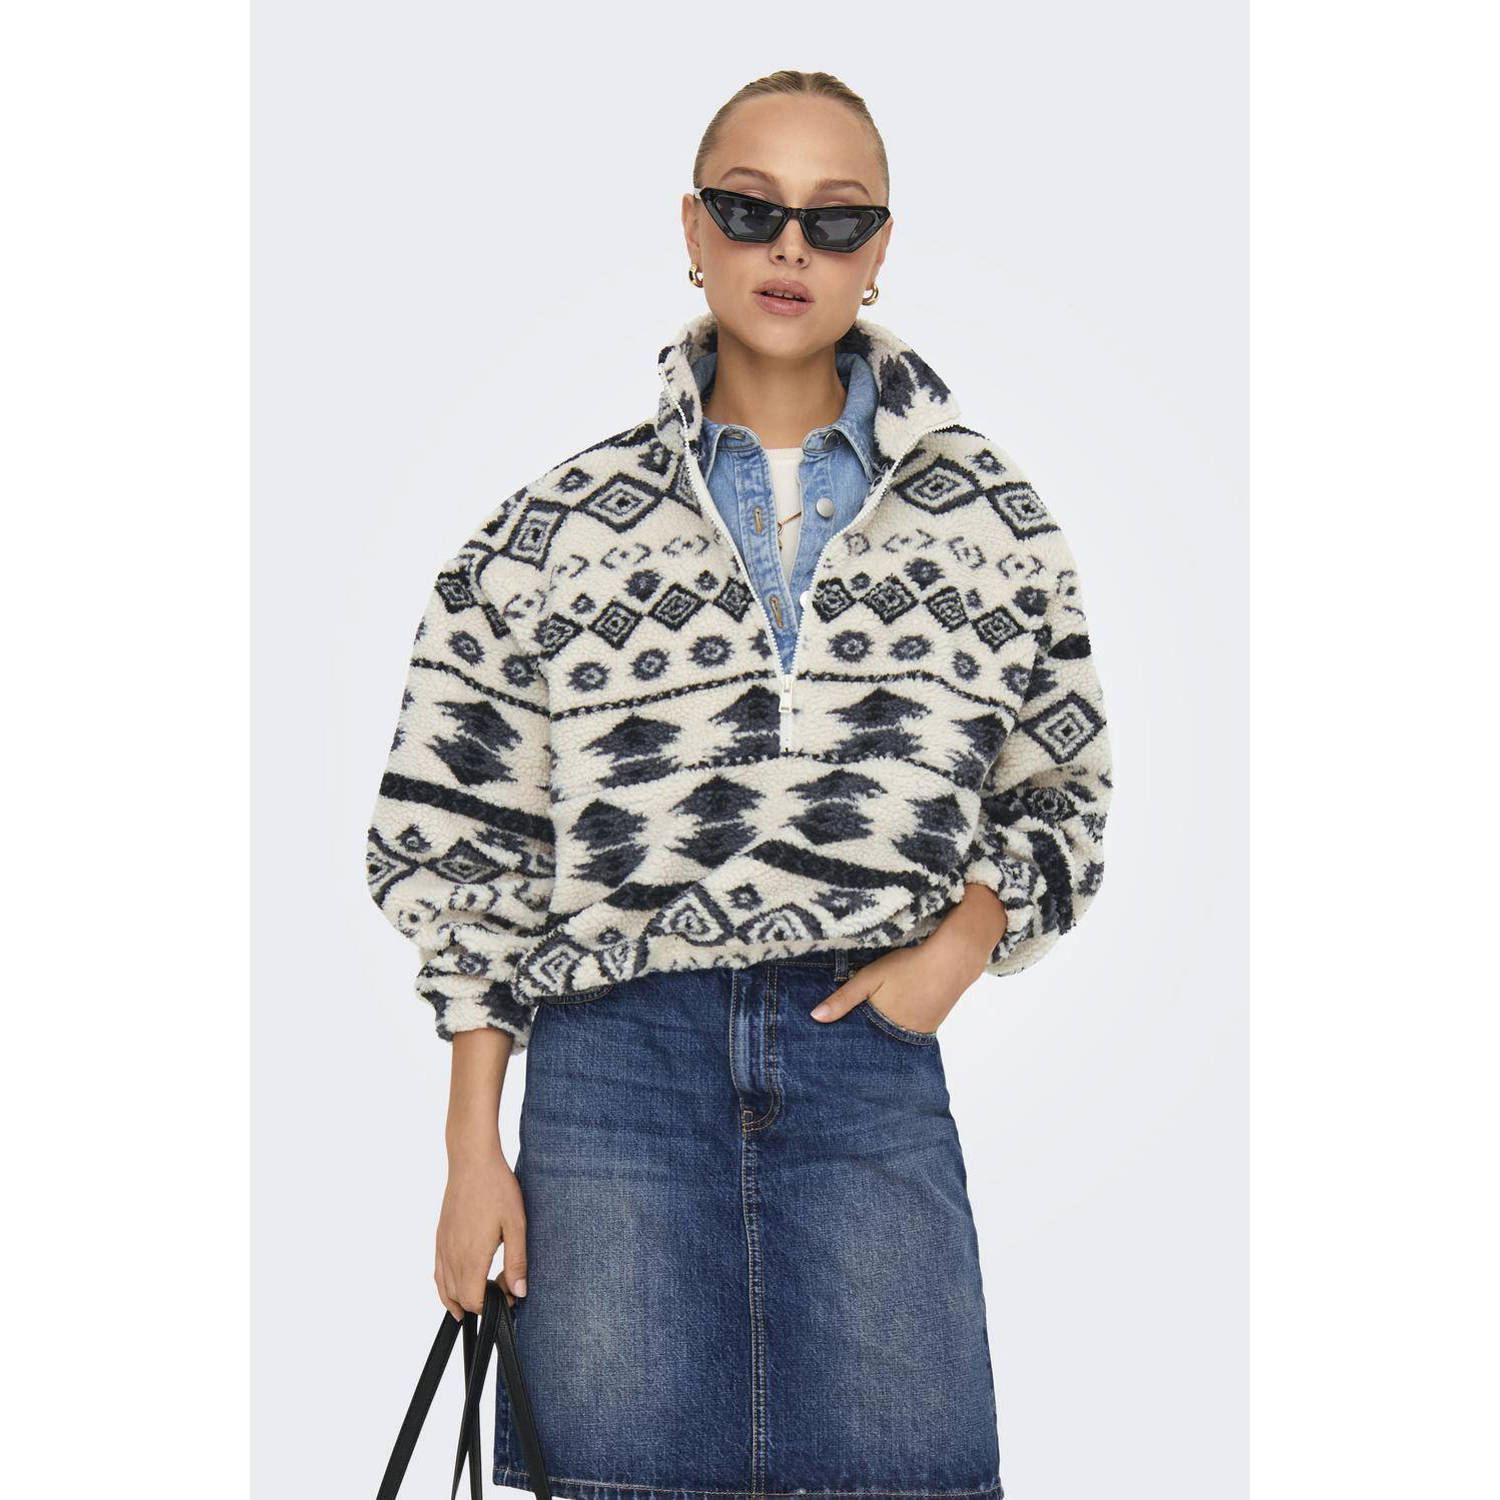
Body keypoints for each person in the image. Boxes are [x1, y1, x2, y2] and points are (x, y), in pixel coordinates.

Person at [365, 68, 1112, 1500]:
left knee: (909, 1473)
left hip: (864, 1063)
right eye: (751, 208)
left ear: (881, 248)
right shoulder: (549, 533)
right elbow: (467, 853)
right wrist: (471, 1152)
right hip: (613, 1077)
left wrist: (961, 945)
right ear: (693, 230)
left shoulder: (992, 521)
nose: (791, 248)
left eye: (836, 219)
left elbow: (1060, 791)